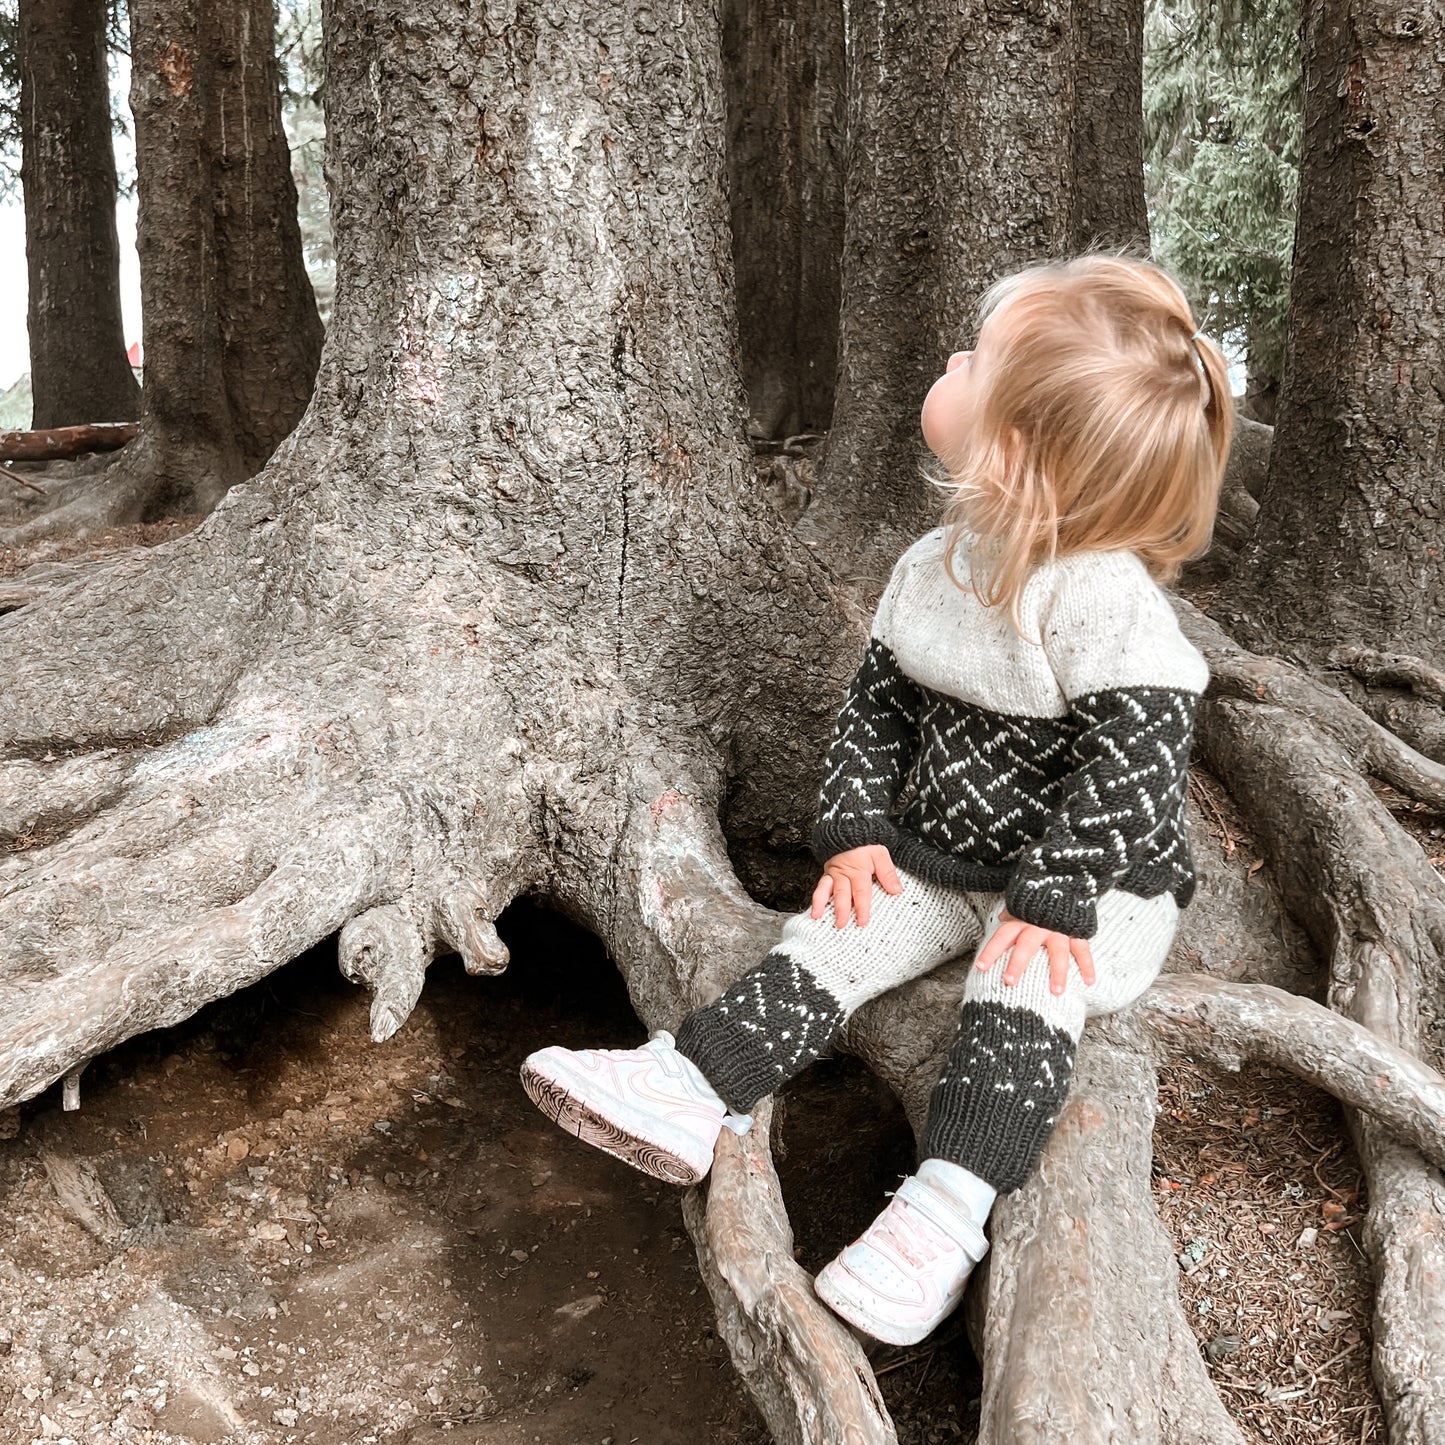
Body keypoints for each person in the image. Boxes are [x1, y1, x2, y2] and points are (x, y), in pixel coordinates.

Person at [520, 250, 1234, 1347]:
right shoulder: (931, 562)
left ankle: (942, 1214)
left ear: (1016, 445)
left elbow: (1135, 761)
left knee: (1018, 998)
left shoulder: (1101, 599)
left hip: (1089, 888)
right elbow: (875, 712)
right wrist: (853, 830)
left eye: (974, 358)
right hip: (942, 856)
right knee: (833, 935)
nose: (949, 359)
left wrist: (1051, 895)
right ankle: (689, 1083)